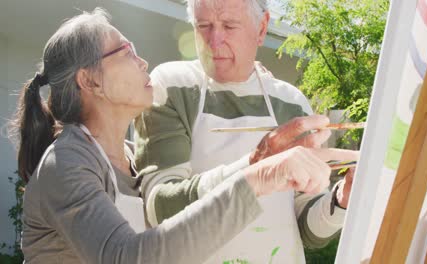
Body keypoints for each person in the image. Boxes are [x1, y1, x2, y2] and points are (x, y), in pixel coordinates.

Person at [10, 8, 354, 264]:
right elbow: (126, 257)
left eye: (230, 25)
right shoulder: (66, 162)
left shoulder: (128, 159)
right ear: (90, 81)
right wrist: (258, 176)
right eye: (126, 52)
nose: (143, 61)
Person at [134, 0, 359, 263]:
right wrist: (255, 167)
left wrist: (342, 200)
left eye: (229, 26)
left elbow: (306, 230)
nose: (214, 41)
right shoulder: (172, 85)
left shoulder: (292, 102)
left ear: (262, 28)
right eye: (203, 25)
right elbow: (159, 209)